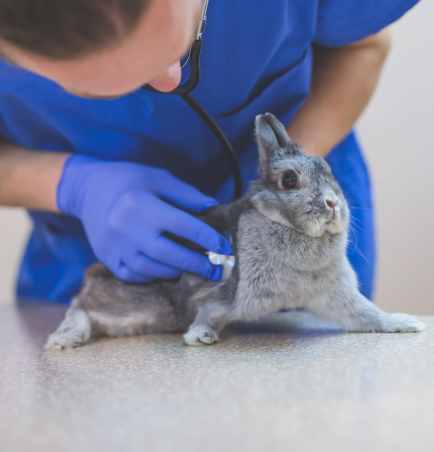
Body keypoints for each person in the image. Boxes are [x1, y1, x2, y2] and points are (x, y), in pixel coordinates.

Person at [0, 0, 418, 304]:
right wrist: (71, 186)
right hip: (90, 285)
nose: (168, 83)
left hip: (301, 275)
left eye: (179, 47)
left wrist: (291, 170)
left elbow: (363, 46)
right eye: (90, 89)